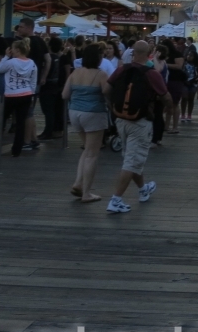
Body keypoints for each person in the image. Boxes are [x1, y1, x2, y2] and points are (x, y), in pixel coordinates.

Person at [103, 41, 168, 214]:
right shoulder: (151, 73)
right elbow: (166, 97)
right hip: (140, 121)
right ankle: (115, 200)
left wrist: (113, 108)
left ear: (132, 53)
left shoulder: (121, 69)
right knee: (131, 161)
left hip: (121, 120)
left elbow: (106, 90)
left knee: (131, 157)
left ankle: (143, 189)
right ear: (149, 54)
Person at [63, 43, 110, 203]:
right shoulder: (101, 74)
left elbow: (65, 95)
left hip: (75, 113)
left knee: (86, 150)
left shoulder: (75, 73)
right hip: (93, 113)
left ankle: (78, 183)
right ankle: (87, 193)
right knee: (92, 154)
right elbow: (106, 92)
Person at [0, 39, 37, 158]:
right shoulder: (32, 63)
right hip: (26, 94)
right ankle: (16, 150)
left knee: (0, 121)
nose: (11, 50)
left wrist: (5, 57)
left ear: (18, 50)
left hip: (11, 95)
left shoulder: (11, 62)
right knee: (20, 123)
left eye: (13, 48)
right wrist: (32, 95)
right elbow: (33, 81)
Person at [15, 18, 50, 152]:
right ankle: (33, 139)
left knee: (27, 112)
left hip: (25, 81)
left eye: (22, 27)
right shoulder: (41, 41)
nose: (19, 29)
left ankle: (27, 141)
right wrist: (43, 77)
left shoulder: (26, 43)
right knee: (29, 111)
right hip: (35, 80)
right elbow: (48, 60)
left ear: (29, 28)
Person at [38, 36, 66, 140]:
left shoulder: (48, 58)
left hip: (47, 87)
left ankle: (48, 131)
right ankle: (53, 130)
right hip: (57, 87)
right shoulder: (59, 58)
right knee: (54, 110)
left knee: (48, 111)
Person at [163, 37, 186, 135]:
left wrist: (166, 65)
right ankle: (166, 126)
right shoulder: (164, 55)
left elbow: (179, 66)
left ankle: (175, 127)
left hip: (176, 80)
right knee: (168, 104)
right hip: (166, 81)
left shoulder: (177, 54)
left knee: (175, 104)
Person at [182, 48, 198, 122]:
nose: (189, 56)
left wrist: (194, 80)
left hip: (193, 83)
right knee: (184, 98)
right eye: (188, 55)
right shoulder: (184, 64)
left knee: (191, 99)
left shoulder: (196, 66)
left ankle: (189, 114)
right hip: (184, 83)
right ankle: (183, 114)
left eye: (191, 55)